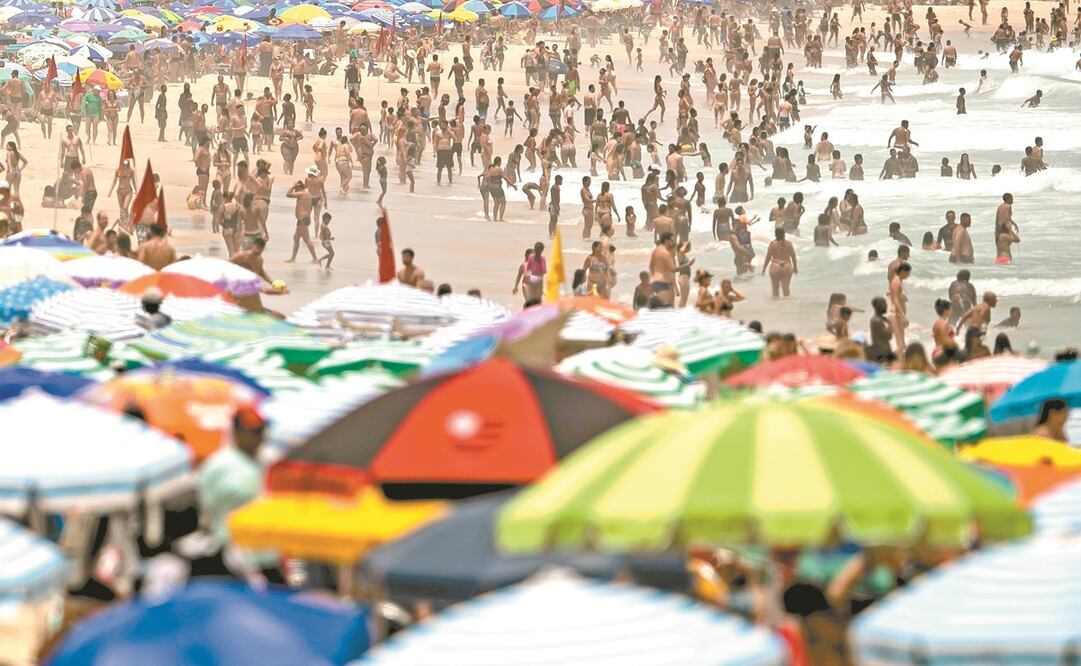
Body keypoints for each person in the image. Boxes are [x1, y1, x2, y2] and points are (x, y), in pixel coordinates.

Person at [195, 406, 283, 583]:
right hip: (234, 556)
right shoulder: (218, 465)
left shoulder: (272, 460)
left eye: (260, 431)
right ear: (236, 431)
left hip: (272, 555)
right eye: (252, 432)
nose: (258, 437)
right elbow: (207, 507)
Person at [761, 228, 798, 298]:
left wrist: (764, 268)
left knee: (775, 288)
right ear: (784, 234)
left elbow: (768, 257)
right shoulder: (789, 244)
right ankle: (787, 306)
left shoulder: (772, 244)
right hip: (787, 265)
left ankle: (776, 306)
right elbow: (793, 256)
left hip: (775, 265)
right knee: (786, 289)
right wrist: (795, 267)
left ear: (775, 234)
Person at [868, 296, 893, 362]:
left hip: (880, 350)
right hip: (882, 352)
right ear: (878, 306)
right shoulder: (877, 321)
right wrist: (890, 323)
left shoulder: (879, 319)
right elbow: (889, 336)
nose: (887, 306)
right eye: (884, 304)